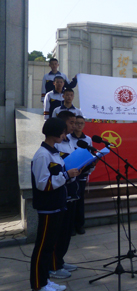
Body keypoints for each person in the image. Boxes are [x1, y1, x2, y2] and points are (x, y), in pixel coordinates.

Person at [29, 118, 79, 291]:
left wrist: (72, 174)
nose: (65, 135)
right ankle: (37, 287)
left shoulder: (54, 152)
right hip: (48, 207)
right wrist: (66, 175)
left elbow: (60, 176)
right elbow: (43, 184)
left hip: (57, 205)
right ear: (56, 132)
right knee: (42, 248)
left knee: (49, 247)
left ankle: (45, 280)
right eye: (63, 132)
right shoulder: (43, 155)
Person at [50, 111, 78, 279]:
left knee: (67, 231)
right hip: (61, 190)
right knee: (58, 232)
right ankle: (53, 265)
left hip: (72, 188)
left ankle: (60, 260)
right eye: (71, 122)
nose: (74, 125)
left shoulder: (69, 141)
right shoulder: (55, 143)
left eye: (75, 122)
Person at [68, 116, 95, 234]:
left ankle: (79, 225)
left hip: (83, 174)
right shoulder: (68, 138)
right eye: (77, 123)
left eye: (81, 123)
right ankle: (71, 226)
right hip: (71, 174)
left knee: (80, 199)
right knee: (71, 201)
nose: (79, 125)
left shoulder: (88, 139)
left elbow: (89, 155)